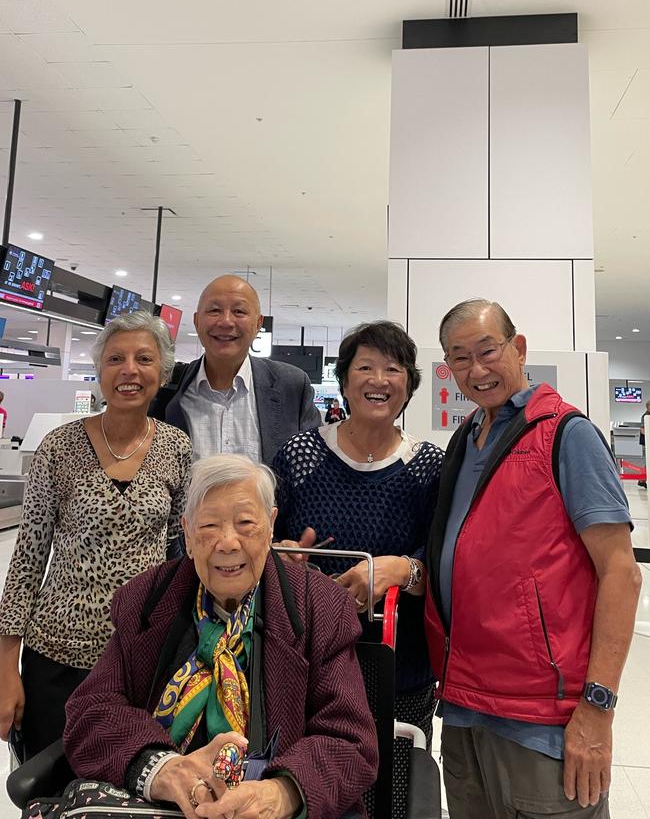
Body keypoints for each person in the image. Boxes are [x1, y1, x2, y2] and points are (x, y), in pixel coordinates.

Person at [64, 453, 378, 819]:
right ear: (187, 533)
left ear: (271, 525)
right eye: (209, 526)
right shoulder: (146, 600)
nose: (228, 543)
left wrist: (281, 794)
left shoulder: (320, 607)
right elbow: (91, 712)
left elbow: (350, 741)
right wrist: (162, 770)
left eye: (246, 522)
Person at [425, 298, 641, 819]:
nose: (477, 370)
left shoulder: (567, 435)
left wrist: (598, 708)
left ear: (517, 349)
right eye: (459, 358)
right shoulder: (465, 438)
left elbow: (621, 573)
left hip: (542, 719)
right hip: (462, 705)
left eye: (487, 351)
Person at [0, 311, 192, 760]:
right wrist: (6, 666)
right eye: (115, 359)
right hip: (56, 654)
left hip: (139, 657)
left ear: (161, 373)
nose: (129, 370)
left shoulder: (176, 447)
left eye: (144, 359)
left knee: (125, 785)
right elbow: (27, 561)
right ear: (99, 371)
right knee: (47, 788)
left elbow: (176, 556)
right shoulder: (59, 447)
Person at [273, 321, 443, 819]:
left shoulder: (428, 468)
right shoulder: (300, 457)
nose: (379, 379)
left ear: (409, 384)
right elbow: (258, 544)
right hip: (307, 666)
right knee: (310, 791)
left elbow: (446, 567)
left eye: (393, 369)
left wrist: (403, 570)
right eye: (364, 367)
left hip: (400, 667)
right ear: (344, 380)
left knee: (391, 793)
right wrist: (283, 557)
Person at [149, 275, 321, 463]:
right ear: (197, 321)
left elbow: (313, 471)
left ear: (258, 324)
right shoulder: (165, 387)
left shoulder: (292, 387)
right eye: (214, 310)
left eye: (239, 311)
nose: (226, 322)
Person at [638, 399, 650, 488]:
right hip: (647, 442)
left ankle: (643, 479)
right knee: (647, 460)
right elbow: (642, 430)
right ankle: (642, 479)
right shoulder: (645, 416)